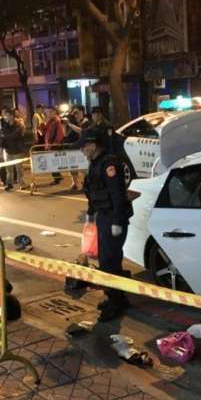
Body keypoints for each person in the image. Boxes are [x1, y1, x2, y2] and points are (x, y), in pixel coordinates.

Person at [80, 126, 133, 322]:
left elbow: (117, 194)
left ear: (93, 145)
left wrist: (117, 221)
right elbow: (93, 191)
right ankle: (118, 297)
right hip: (104, 216)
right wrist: (90, 213)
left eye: (84, 146)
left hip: (113, 217)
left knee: (109, 261)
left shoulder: (109, 164)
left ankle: (115, 302)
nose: (82, 150)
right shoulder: (95, 163)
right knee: (109, 260)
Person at [0, 108, 26, 191]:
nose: (6, 117)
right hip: (8, 150)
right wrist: (0, 149)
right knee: (9, 169)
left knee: (19, 169)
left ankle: (21, 184)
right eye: (5, 116)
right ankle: (9, 184)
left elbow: (15, 135)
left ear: (12, 116)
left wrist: (5, 136)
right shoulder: (5, 125)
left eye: (7, 116)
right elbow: (1, 138)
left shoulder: (19, 124)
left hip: (17, 150)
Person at [65, 105, 89, 190]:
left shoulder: (86, 121)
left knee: (84, 167)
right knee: (72, 166)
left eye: (76, 112)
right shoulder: (73, 122)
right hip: (73, 147)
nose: (75, 115)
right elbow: (66, 134)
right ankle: (75, 183)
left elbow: (82, 131)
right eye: (73, 113)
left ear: (82, 112)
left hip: (83, 148)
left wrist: (70, 125)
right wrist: (66, 124)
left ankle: (86, 183)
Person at [42, 106, 65, 185]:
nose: (48, 114)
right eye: (47, 112)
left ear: (54, 112)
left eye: (50, 112)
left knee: (53, 162)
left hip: (53, 145)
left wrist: (54, 143)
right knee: (52, 162)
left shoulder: (56, 121)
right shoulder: (50, 121)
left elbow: (60, 134)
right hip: (50, 144)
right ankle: (57, 177)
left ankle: (57, 178)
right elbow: (46, 132)